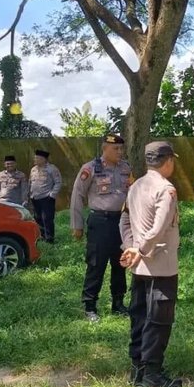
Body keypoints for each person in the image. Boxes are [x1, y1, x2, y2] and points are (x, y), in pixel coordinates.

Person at [120, 141, 183, 387]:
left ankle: (138, 369)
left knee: (139, 317)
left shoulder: (135, 186)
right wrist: (140, 249)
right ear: (167, 161)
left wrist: (130, 247)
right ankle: (152, 375)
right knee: (158, 321)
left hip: (139, 267)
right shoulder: (166, 189)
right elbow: (158, 227)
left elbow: (123, 220)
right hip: (160, 266)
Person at [70, 134, 132, 323]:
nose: (120, 152)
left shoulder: (125, 168)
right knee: (96, 264)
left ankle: (118, 303)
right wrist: (77, 225)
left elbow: (132, 192)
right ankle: (90, 306)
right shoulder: (90, 169)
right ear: (104, 148)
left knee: (120, 263)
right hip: (100, 222)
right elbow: (77, 196)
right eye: (116, 149)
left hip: (121, 221)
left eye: (122, 149)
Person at [29, 149, 63, 243]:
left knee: (47, 218)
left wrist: (52, 195)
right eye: (35, 158)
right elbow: (30, 182)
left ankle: (49, 238)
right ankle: (41, 236)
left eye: (37, 158)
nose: (35, 159)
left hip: (46, 198)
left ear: (44, 159)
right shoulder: (33, 169)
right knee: (37, 218)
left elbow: (58, 182)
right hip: (35, 198)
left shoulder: (52, 169)